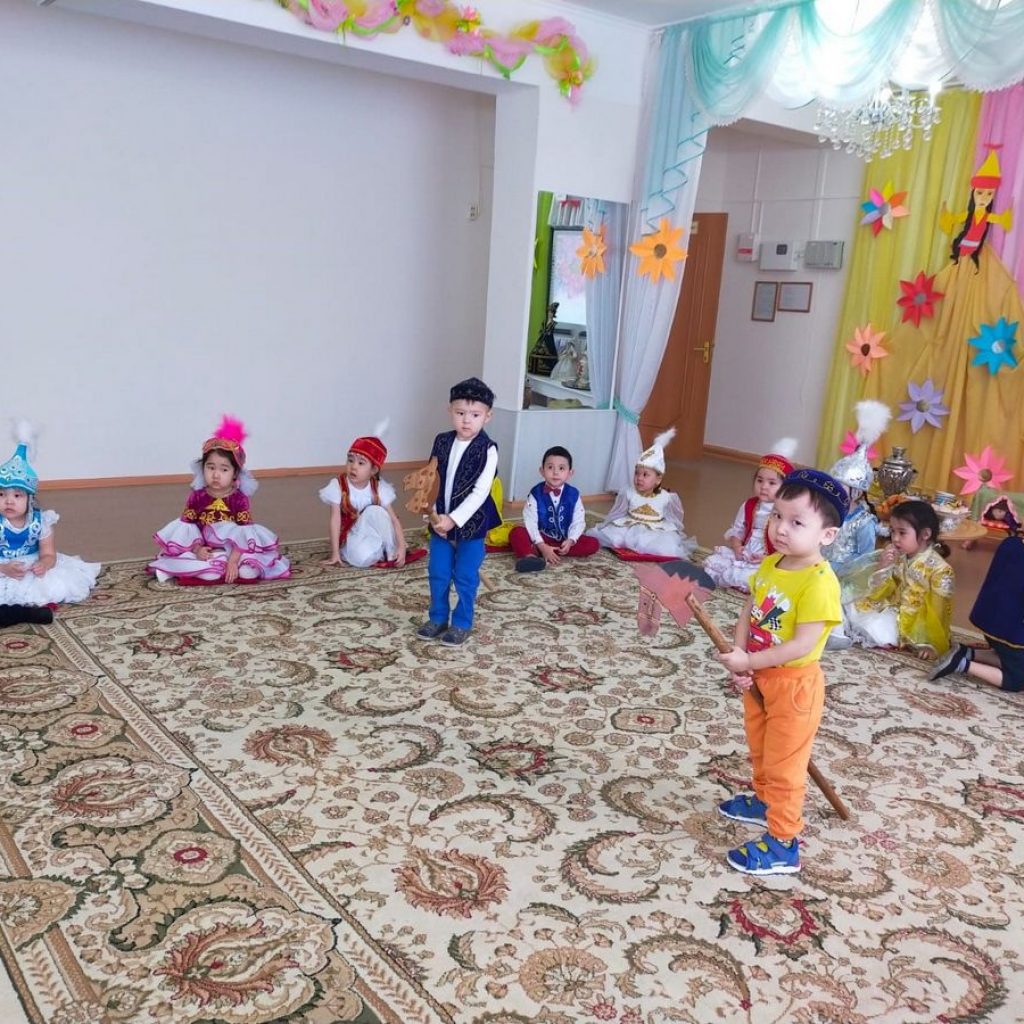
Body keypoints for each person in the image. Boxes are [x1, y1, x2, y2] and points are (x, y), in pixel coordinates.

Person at [716, 468, 846, 875]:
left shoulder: (820, 583)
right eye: (776, 516)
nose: (781, 528)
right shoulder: (773, 563)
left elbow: (802, 645)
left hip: (793, 687)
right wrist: (741, 654)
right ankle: (763, 800)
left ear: (827, 535)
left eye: (796, 522)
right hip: (760, 676)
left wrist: (750, 662)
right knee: (760, 747)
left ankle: (784, 843)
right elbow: (749, 611)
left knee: (785, 766)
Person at [149, 416, 290, 584]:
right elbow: (188, 528)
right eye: (210, 468)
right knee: (211, 573)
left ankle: (207, 568)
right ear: (202, 468)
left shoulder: (239, 499)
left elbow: (244, 534)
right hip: (208, 550)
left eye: (224, 470)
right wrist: (198, 549)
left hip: (235, 551)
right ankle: (173, 569)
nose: (216, 475)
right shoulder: (197, 496)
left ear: (235, 474)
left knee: (248, 572)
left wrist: (233, 562)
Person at [416, 377, 499, 646]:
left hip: (471, 525)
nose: (466, 420)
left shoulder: (488, 449)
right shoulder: (441, 441)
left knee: (465, 576)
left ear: (487, 416)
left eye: (475, 415)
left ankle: (462, 622)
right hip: (439, 521)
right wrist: (431, 511)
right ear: (450, 411)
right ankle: (438, 618)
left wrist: (454, 519)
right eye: (460, 413)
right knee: (438, 572)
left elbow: (480, 493)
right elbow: (432, 479)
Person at [0, 422, 100, 607]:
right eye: (1, 495)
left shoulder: (40, 522)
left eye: (17, 496)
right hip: (2, 568)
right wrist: (4, 568)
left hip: (30, 567)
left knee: (51, 588)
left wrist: (44, 564)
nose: (9, 501)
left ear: (30, 499)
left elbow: (48, 553)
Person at [844, 499, 953, 658]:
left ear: (925, 534)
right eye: (893, 532)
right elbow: (884, 590)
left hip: (916, 622)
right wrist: (883, 567)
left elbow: (940, 612)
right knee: (850, 604)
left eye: (902, 533)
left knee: (874, 627)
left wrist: (931, 643)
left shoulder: (940, 569)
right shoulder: (901, 557)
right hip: (893, 609)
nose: (895, 538)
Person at [930, 527, 1024, 692]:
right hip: (1010, 634)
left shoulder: (1013, 543)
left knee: (1011, 657)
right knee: (1017, 678)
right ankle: (961, 664)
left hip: (988, 622)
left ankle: (967, 652)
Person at [588, 428, 696, 558]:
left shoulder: (666, 497)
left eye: (645, 475)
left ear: (658, 479)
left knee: (665, 547)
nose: (639, 478)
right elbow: (618, 513)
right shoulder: (628, 492)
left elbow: (672, 518)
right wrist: (607, 525)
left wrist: (673, 532)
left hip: (654, 530)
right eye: (637, 473)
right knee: (615, 538)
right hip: (630, 526)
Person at [703, 439, 796, 590]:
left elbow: (788, 544)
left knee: (761, 579)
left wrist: (768, 559)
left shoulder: (785, 513)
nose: (764, 487)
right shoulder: (749, 505)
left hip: (769, 560)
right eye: (760, 481)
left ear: (785, 488)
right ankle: (737, 577)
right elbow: (737, 530)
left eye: (772, 483)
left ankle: (744, 580)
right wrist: (737, 547)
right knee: (711, 563)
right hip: (745, 554)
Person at [320, 424, 406, 569]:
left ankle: (391, 550)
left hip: (373, 530)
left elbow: (393, 519)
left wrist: (401, 547)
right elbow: (335, 520)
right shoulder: (338, 486)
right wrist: (335, 553)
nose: (353, 467)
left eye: (361, 463)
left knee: (376, 511)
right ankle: (377, 550)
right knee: (361, 558)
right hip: (352, 536)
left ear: (373, 470)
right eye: (350, 460)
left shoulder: (379, 488)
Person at [509, 446, 599, 572]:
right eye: (550, 467)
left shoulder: (574, 494)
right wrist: (541, 544)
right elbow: (530, 521)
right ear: (542, 471)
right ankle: (529, 556)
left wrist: (571, 540)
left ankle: (546, 551)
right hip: (542, 537)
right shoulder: (535, 493)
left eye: (561, 468)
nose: (555, 472)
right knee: (517, 532)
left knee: (593, 544)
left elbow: (578, 521)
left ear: (570, 473)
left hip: (564, 539)